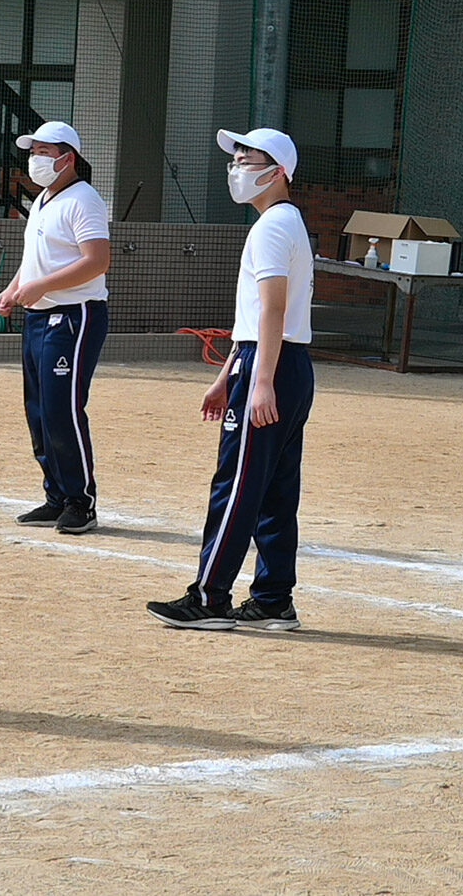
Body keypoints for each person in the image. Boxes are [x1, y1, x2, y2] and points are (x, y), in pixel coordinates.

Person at [147, 128, 313, 631]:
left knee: (237, 483)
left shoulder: (269, 228)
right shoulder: (288, 222)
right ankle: (271, 600)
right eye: (235, 160)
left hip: (271, 365)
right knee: (275, 489)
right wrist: (229, 374)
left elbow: (273, 308)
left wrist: (258, 381)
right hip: (284, 364)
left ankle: (210, 597)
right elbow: (256, 320)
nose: (236, 169)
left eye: (247, 160)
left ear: (277, 170)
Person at [0, 121, 111, 535]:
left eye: (45, 152)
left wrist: (41, 286)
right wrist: (14, 290)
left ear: (69, 157)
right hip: (40, 316)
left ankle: (82, 501)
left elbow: (97, 260)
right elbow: (36, 258)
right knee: (40, 410)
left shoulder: (84, 199)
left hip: (75, 316)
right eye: (34, 152)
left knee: (63, 410)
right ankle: (56, 496)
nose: (37, 160)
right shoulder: (43, 199)